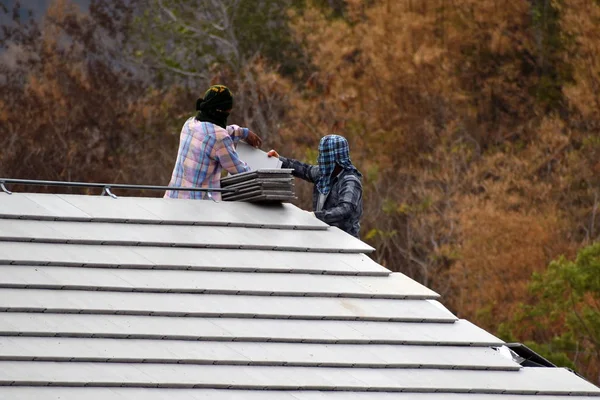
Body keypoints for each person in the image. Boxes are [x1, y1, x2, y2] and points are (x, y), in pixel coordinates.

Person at [165, 85, 262, 201]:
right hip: (197, 210)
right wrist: (267, 172)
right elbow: (241, 172)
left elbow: (212, 133)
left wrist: (243, 132)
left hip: (171, 202)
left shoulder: (190, 124)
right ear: (225, 111)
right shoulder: (219, 138)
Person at [268, 134, 363, 238]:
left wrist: (315, 216)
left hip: (346, 243)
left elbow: (345, 209)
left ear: (335, 158)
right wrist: (279, 160)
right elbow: (304, 170)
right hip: (323, 238)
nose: (319, 159)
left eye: (323, 155)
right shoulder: (323, 174)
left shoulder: (350, 181)